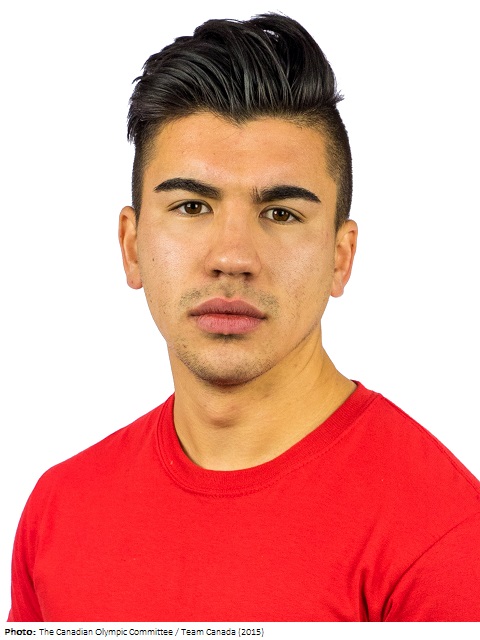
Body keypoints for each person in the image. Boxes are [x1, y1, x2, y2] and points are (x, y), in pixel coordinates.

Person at [8, 13, 480, 622]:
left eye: (281, 213)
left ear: (341, 258)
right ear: (131, 245)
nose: (232, 257)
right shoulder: (59, 513)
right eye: (191, 206)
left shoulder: (443, 536)